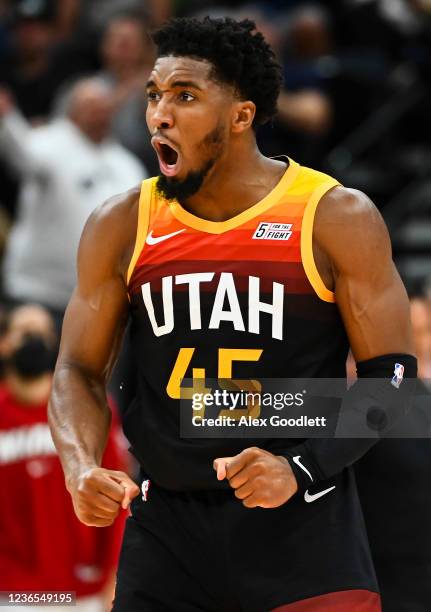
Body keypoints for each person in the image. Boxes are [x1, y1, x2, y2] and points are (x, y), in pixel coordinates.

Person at [48, 17, 416, 611]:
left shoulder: (332, 215)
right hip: (167, 527)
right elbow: (77, 370)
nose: (158, 115)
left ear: (242, 116)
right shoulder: (122, 223)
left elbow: (393, 379)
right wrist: (79, 465)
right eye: (154, 95)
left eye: (185, 96)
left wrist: (299, 468)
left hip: (303, 527)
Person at [0, 304, 128, 611]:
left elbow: (118, 493)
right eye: (25, 333)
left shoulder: (85, 411)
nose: (34, 341)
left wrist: (114, 574)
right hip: (13, 592)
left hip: (82, 590)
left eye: (42, 334)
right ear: (4, 343)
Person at [0, 78, 146, 326]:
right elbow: (20, 156)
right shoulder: (48, 142)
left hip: (99, 302)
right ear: (72, 109)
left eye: (104, 105)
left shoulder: (127, 165)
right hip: (37, 293)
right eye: (90, 104)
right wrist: (7, 117)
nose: (98, 111)